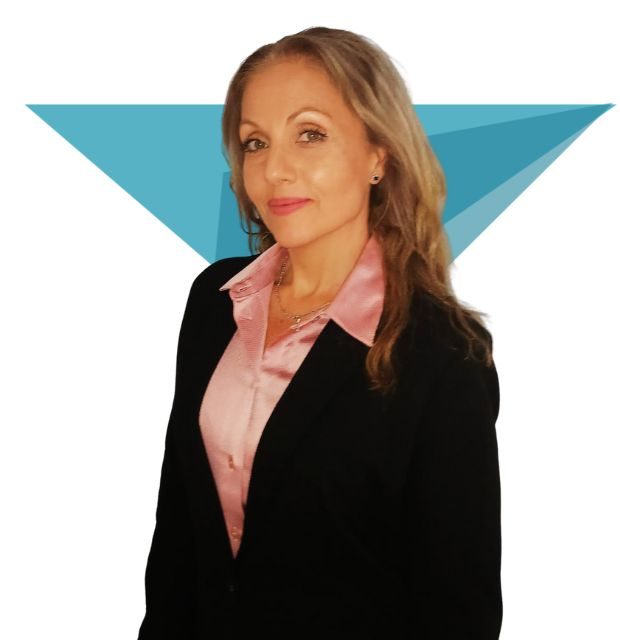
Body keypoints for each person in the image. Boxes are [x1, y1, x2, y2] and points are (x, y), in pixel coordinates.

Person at [137, 26, 502, 640]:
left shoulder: (444, 352)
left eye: (310, 134)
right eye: (255, 143)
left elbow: (459, 609)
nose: (275, 169)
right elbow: (179, 532)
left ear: (378, 154)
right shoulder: (214, 301)